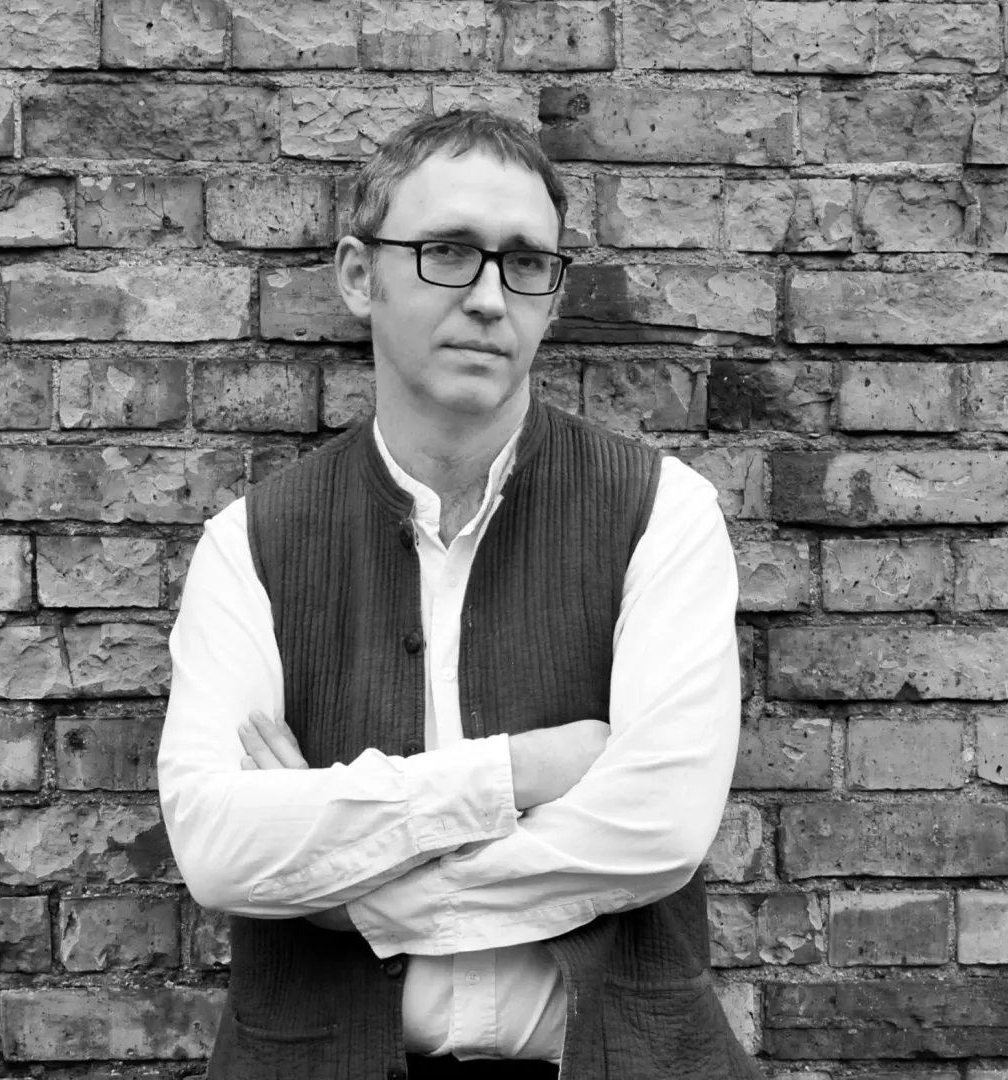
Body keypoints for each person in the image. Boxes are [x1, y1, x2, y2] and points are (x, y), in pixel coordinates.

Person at [157, 109, 757, 1080]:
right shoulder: (249, 546)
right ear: (360, 276)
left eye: (524, 263)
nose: (487, 297)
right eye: (447, 252)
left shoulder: (663, 514)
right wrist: (515, 775)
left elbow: (658, 830)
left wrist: (344, 888)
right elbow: (219, 848)